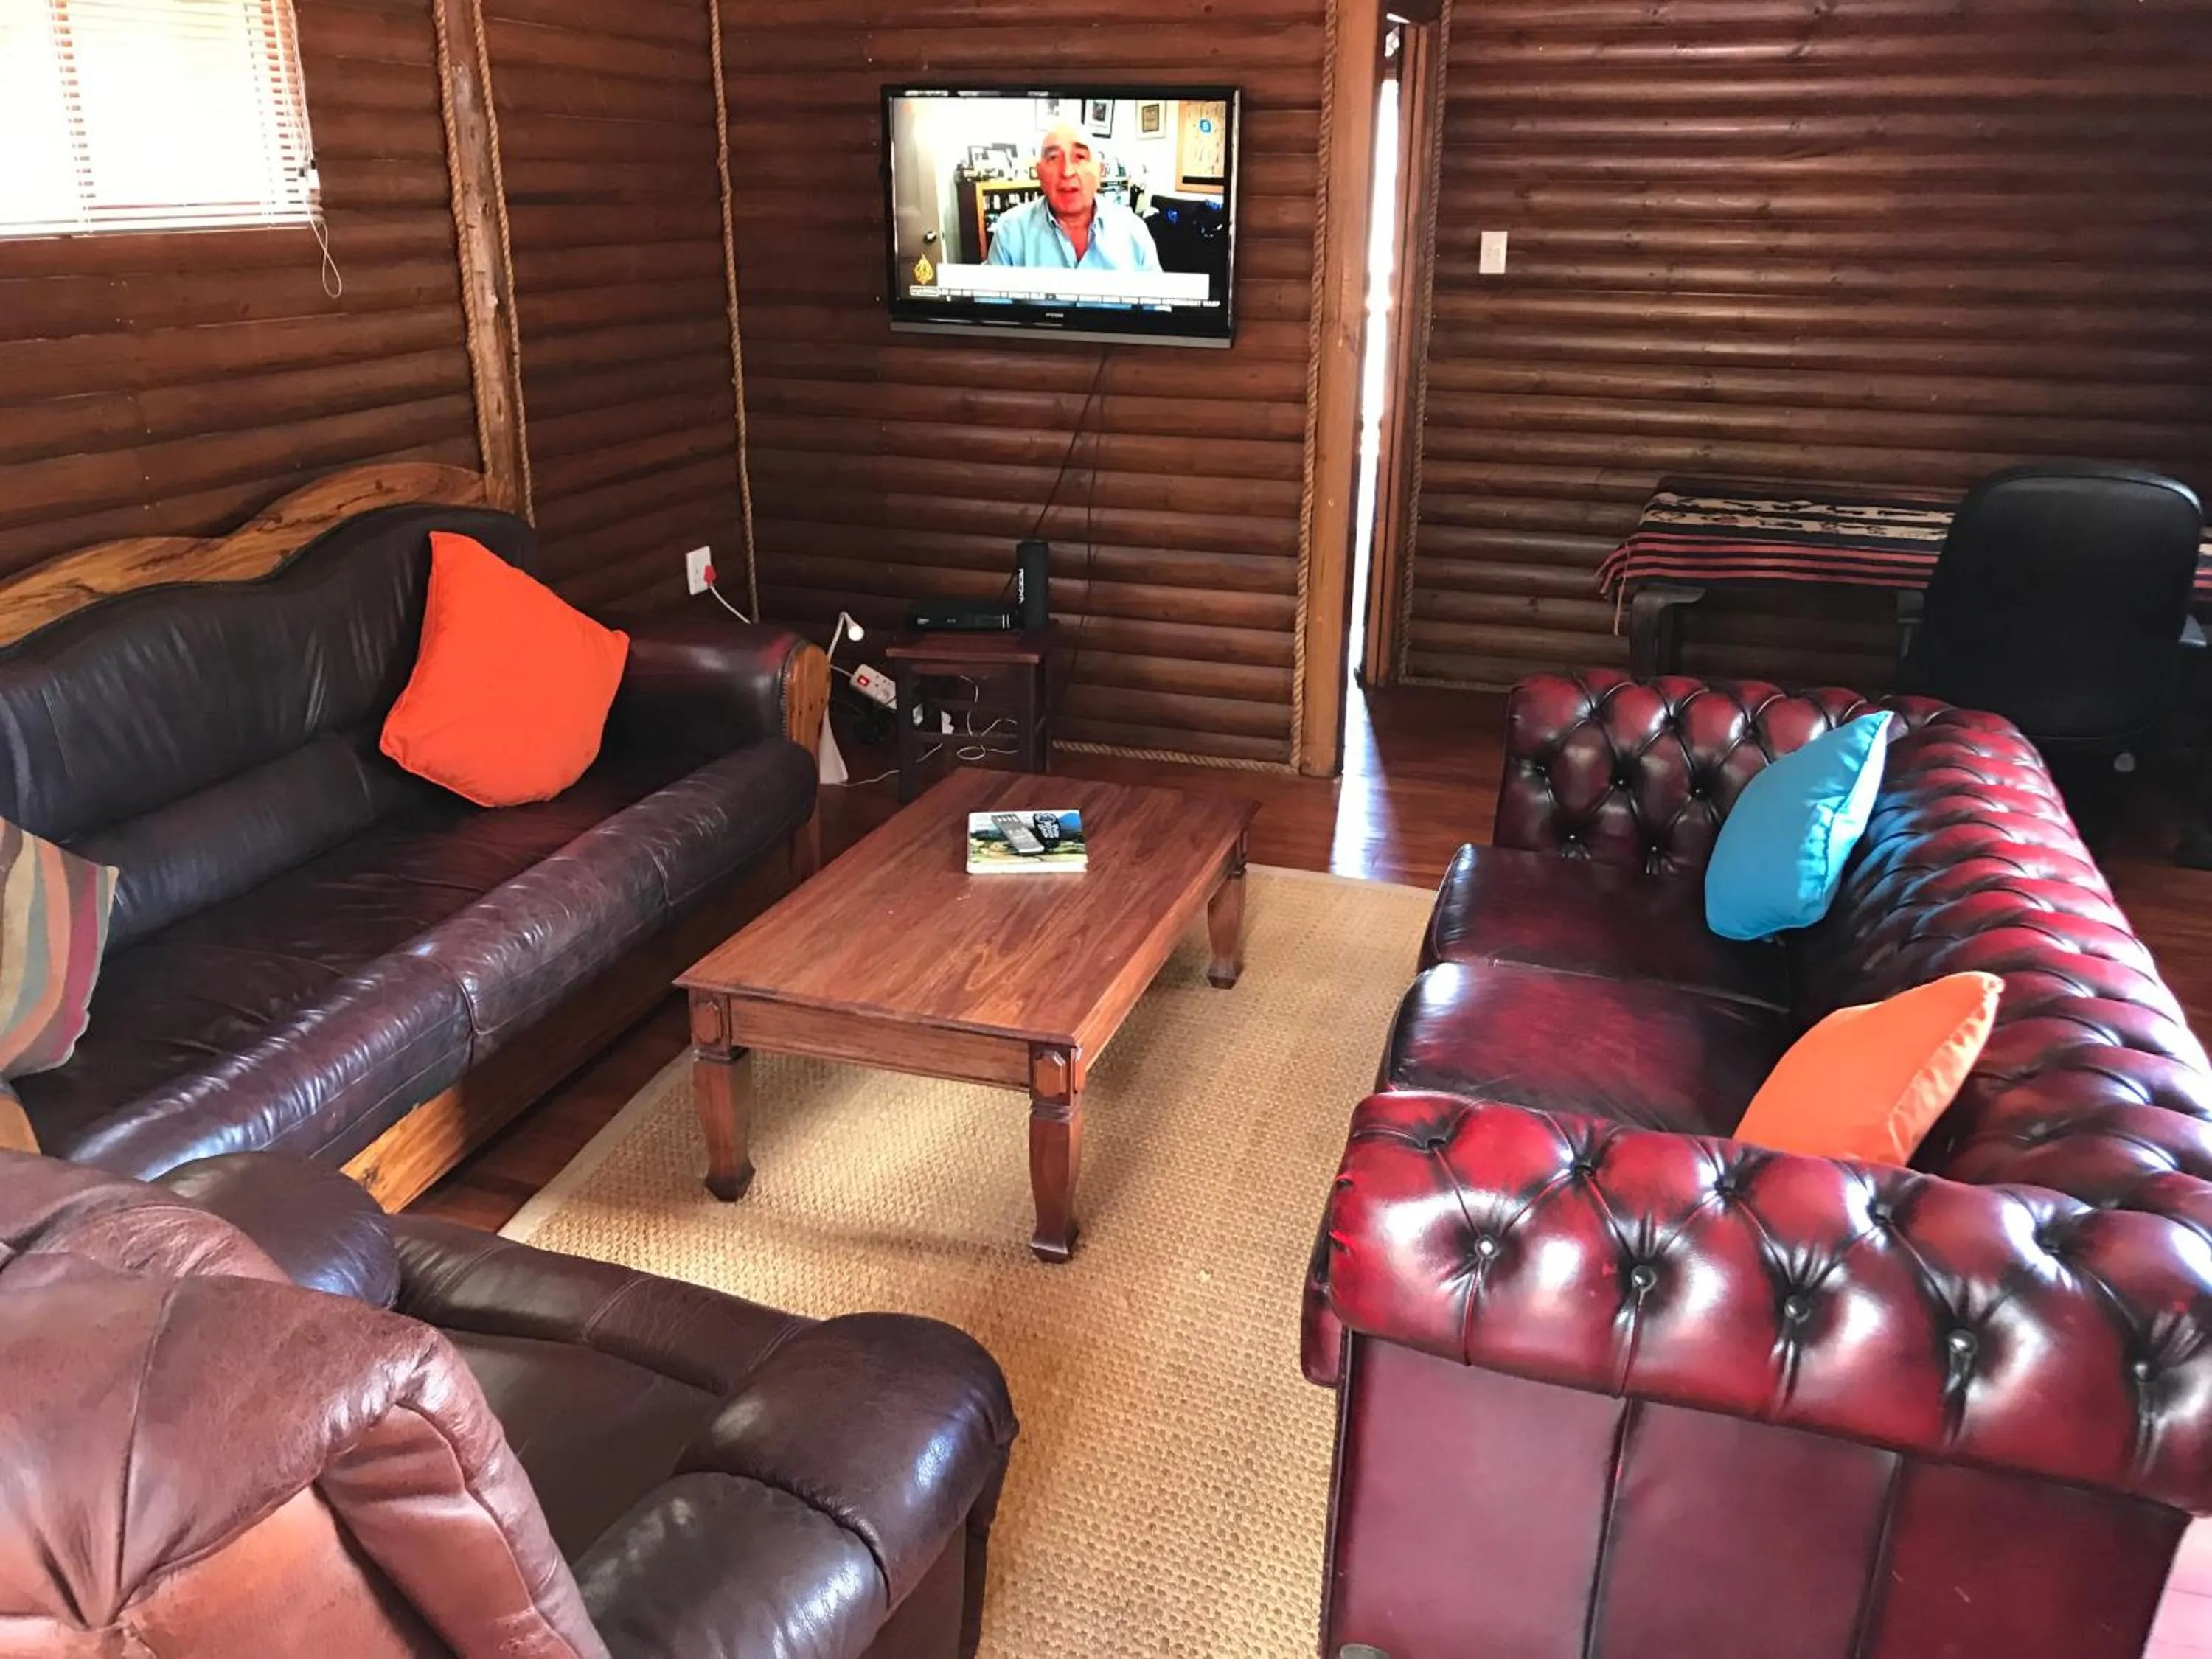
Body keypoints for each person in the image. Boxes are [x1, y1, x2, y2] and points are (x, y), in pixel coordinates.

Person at [984, 121, 1161, 273]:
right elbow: (990, 309)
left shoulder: (1134, 232)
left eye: (1080, 157)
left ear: (1100, 172)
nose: (1067, 172)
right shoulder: (1010, 231)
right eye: (1053, 158)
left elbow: (1157, 308)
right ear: (1039, 173)